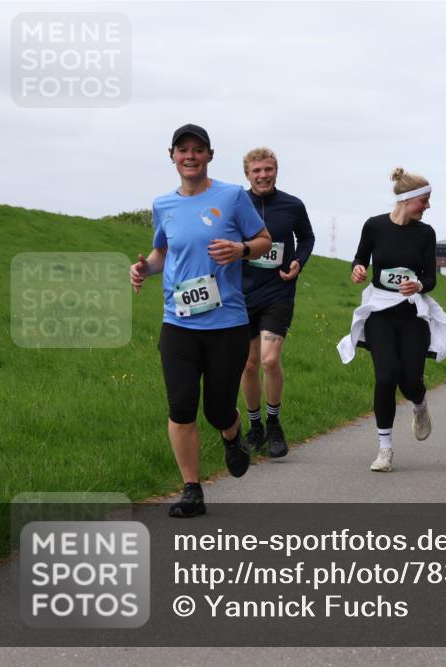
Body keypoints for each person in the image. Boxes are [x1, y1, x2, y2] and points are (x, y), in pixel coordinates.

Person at [130, 124, 272, 518]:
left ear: (210, 155)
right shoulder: (163, 205)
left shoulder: (231, 197)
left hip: (226, 323)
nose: (189, 156)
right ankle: (192, 489)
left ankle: (232, 435)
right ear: (171, 155)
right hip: (178, 323)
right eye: (182, 150)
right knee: (181, 407)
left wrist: (241, 248)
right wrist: (143, 268)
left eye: (197, 150)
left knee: (218, 409)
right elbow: (162, 253)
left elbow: (264, 240)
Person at [337, 168, 446, 473]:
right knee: (386, 377)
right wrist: (358, 269)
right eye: (424, 201)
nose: (428, 207)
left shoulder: (425, 233)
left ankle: (419, 405)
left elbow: (431, 278)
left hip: (412, 314)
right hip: (380, 312)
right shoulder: (374, 226)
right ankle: (385, 450)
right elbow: (360, 258)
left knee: (410, 381)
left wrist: (418, 286)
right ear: (408, 200)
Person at [239, 147, 315, 459]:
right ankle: (254, 426)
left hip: (279, 293)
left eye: (268, 169)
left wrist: (299, 261)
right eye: (256, 171)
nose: (263, 175)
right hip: (242, 295)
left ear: (276, 171)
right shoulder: (237, 204)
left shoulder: (292, 205)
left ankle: (273, 424)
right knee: (248, 364)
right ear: (247, 174)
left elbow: (307, 238)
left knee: (269, 360)